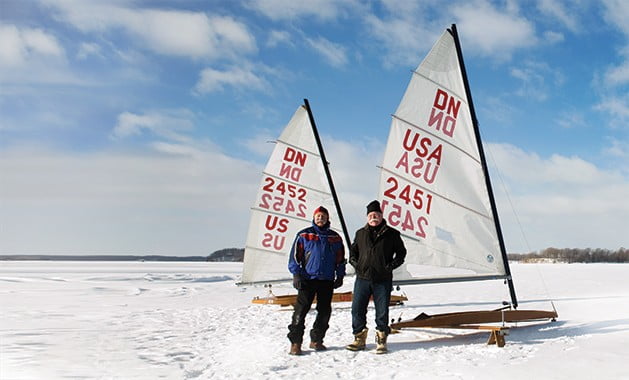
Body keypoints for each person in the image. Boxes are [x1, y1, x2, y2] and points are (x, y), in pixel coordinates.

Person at [346, 200, 406, 354]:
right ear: (367, 217)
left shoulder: (392, 233)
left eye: (377, 215)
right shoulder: (360, 233)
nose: (374, 217)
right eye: (371, 215)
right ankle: (359, 338)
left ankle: (381, 339)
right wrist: (356, 264)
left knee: (382, 311)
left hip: (382, 279)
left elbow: (401, 253)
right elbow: (353, 252)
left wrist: (390, 267)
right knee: (357, 309)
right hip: (362, 278)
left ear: (381, 216)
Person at [287, 206, 346, 355]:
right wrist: (296, 274)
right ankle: (296, 342)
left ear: (328, 219)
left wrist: (340, 275)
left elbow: (340, 259)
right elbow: (295, 257)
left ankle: (316, 340)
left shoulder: (335, 238)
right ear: (314, 218)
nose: (320, 218)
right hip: (308, 279)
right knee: (301, 312)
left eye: (323, 216)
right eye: (318, 216)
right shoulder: (304, 235)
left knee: (324, 312)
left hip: (326, 280)